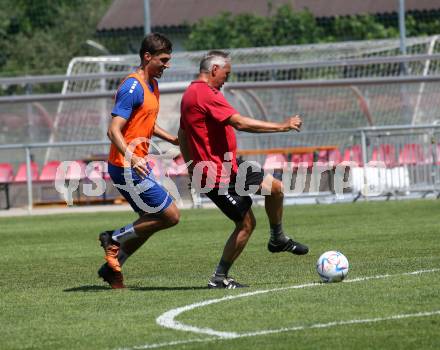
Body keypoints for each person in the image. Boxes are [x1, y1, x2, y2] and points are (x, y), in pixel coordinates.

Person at [179, 50, 309, 289]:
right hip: (217, 176)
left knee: (275, 189)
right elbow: (239, 122)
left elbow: (183, 135)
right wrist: (282, 126)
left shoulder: (190, 93)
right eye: (226, 73)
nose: (227, 78)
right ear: (214, 70)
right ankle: (218, 278)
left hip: (230, 165)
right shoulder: (204, 94)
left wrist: (190, 167)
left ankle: (278, 239)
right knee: (246, 224)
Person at [98, 33, 180, 289]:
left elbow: (146, 121)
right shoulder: (132, 87)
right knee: (170, 216)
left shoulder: (152, 85)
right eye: (163, 60)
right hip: (126, 166)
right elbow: (114, 130)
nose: (167, 65)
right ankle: (113, 237)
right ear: (147, 57)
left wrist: (173, 139)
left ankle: (112, 268)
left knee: (149, 222)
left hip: (136, 164)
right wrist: (132, 158)